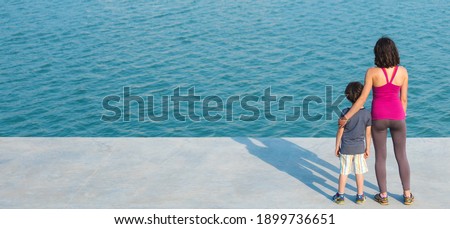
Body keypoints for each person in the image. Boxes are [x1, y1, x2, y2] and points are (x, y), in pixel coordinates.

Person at [338, 36, 414, 205]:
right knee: (401, 156)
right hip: (398, 117)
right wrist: (402, 116)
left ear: (377, 54)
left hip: (378, 118)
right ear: (394, 52)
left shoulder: (372, 72)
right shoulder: (402, 72)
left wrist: (346, 117)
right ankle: (407, 195)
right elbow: (404, 100)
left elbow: (362, 99)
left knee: (381, 157)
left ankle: (384, 195)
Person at [333, 82, 372, 204]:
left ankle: (340, 195)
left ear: (348, 96)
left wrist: (337, 146)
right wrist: (367, 148)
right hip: (360, 148)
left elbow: (340, 131)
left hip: (346, 148)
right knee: (359, 172)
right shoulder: (367, 114)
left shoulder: (345, 112)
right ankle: (360, 196)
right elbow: (368, 134)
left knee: (344, 172)